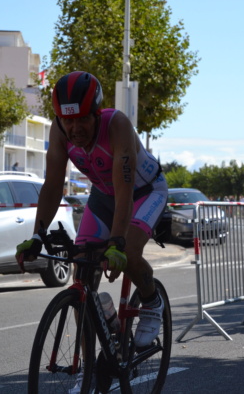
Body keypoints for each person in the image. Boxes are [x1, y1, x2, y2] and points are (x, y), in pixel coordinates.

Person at [15, 71, 168, 346]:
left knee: (129, 251)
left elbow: (124, 190)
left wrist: (116, 242)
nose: (75, 129)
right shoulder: (59, 131)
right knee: (82, 275)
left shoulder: (116, 125)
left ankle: (151, 300)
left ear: (97, 113)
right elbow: (52, 186)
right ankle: (87, 371)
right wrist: (37, 235)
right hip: (103, 194)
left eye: (83, 119)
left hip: (144, 192)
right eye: (68, 120)